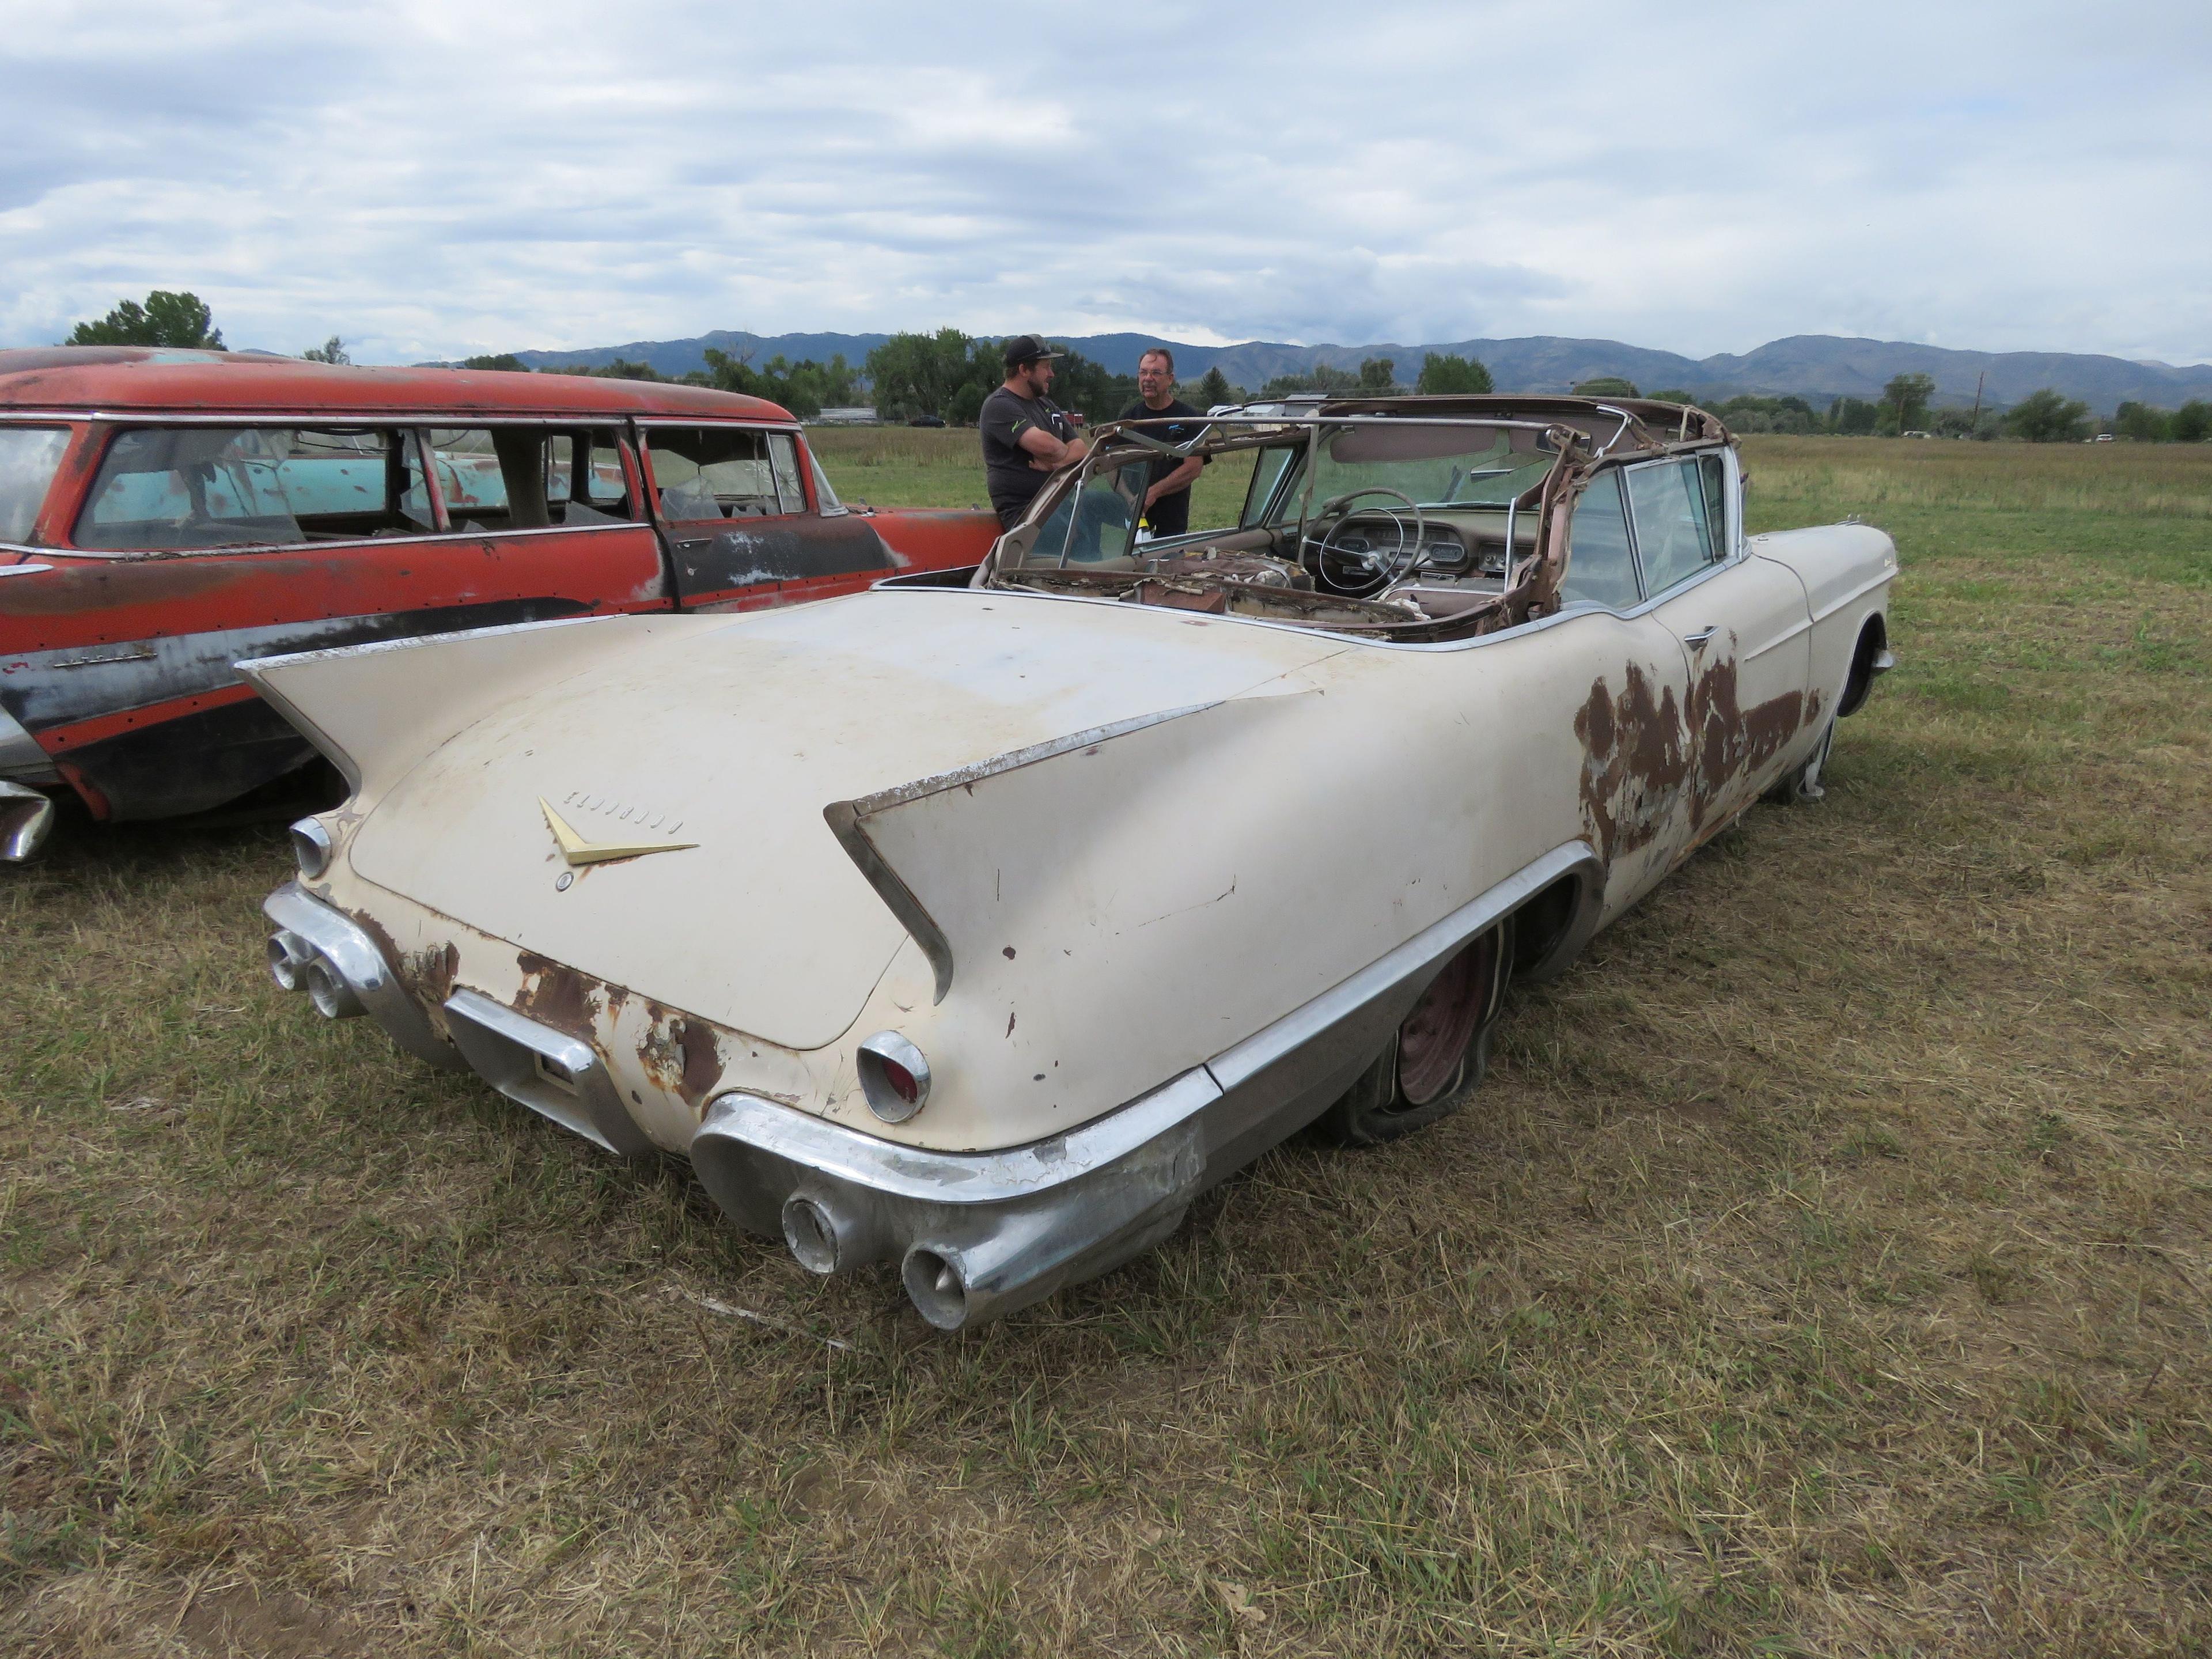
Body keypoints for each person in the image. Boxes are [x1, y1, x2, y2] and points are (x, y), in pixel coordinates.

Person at [979, 336, 1087, 528]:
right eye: (1046, 367)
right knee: (1075, 533)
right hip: (1026, 513)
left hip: (1057, 503)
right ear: (1024, 370)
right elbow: (1048, 448)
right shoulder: (1000, 405)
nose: (1052, 374)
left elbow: (1081, 450)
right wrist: (1061, 454)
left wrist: (1056, 465)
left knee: (1108, 504)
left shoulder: (1046, 404)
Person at [1115, 347, 1209, 539]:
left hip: (1171, 522)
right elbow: (1111, 467)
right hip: (1132, 518)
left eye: (1156, 373)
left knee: (1167, 566)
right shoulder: (1128, 420)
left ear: (1170, 379)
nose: (1148, 378)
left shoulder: (1191, 419)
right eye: (1143, 372)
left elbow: (1193, 468)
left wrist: (1152, 494)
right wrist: (1130, 499)